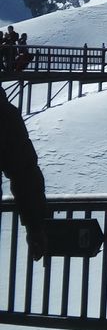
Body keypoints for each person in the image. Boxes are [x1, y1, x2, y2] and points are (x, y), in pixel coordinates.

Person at [1, 92, 47, 261]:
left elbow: (24, 172)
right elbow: (24, 171)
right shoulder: (5, 114)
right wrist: (35, 226)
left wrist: (35, 226)